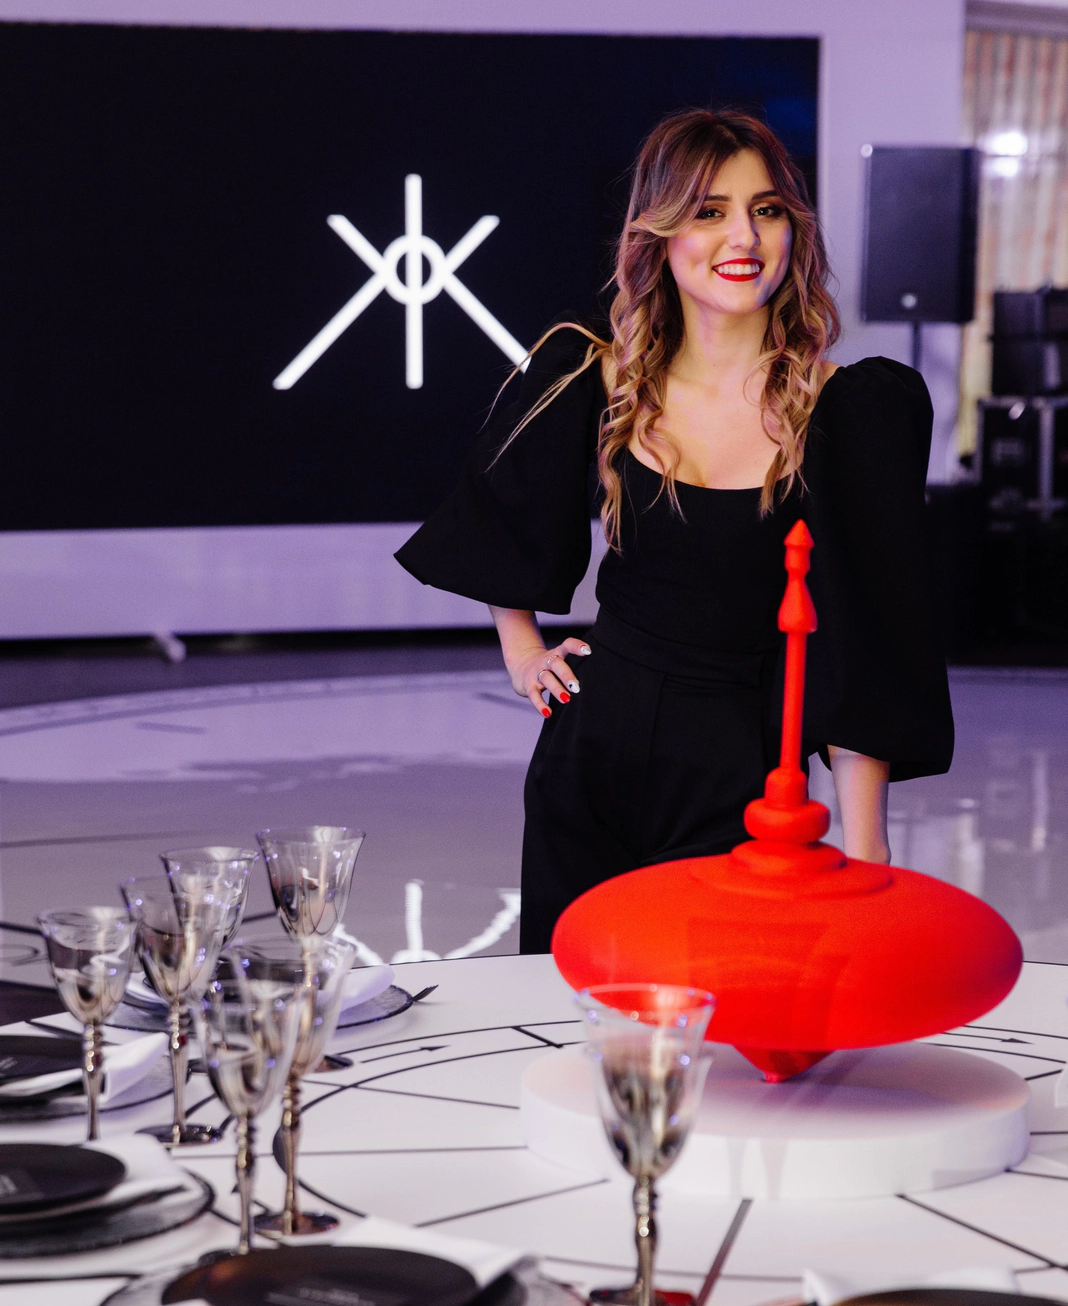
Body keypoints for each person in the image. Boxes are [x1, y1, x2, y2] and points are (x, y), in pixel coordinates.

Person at [395, 109, 953, 954]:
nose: (744, 237)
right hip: (588, 756)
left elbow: (865, 642)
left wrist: (866, 845)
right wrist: (522, 651)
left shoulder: (853, 409)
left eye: (767, 210)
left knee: (714, 1015)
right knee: (567, 1006)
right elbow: (501, 515)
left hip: (743, 772)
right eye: (709, 211)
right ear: (659, 232)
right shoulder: (590, 373)